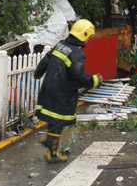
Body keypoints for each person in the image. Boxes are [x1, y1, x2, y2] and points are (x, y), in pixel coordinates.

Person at [34, 19, 103, 163]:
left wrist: (38, 73)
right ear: (84, 35)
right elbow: (79, 76)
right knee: (58, 122)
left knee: (53, 120)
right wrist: (95, 80)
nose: (89, 40)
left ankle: (48, 139)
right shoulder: (76, 53)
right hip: (62, 94)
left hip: (49, 89)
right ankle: (52, 154)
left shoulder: (60, 45)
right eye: (89, 36)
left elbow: (46, 60)